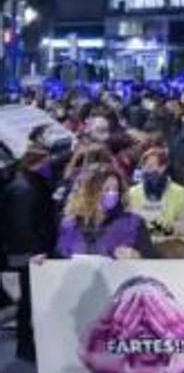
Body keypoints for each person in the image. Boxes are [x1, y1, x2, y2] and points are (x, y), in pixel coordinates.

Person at [0, 146, 58, 362]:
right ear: (37, 163)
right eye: (47, 163)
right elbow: (21, 226)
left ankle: (29, 342)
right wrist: (34, 252)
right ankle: (25, 345)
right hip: (29, 254)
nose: (49, 166)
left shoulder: (31, 183)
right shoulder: (24, 189)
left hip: (34, 252)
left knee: (32, 297)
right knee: (29, 299)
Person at [56, 167, 156, 259]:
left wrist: (137, 256)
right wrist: (43, 261)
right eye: (106, 189)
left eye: (115, 189)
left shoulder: (133, 223)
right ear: (88, 193)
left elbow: (154, 261)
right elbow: (57, 259)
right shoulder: (69, 225)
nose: (112, 194)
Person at [127, 147, 184, 258]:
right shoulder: (132, 193)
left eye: (150, 166)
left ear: (163, 167)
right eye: (144, 167)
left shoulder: (178, 192)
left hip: (169, 242)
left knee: (172, 251)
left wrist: (168, 228)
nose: (147, 170)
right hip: (142, 242)